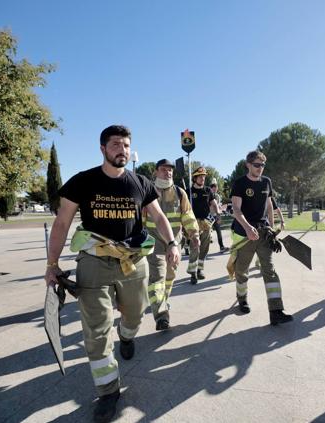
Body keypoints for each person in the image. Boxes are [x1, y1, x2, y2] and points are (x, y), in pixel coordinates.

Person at [44, 125, 180, 422]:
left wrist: (172, 243)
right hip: (94, 262)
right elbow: (62, 223)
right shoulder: (83, 181)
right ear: (103, 148)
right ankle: (108, 390)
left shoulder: (141, 183)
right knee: (95, 329)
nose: (122, 149)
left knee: (134, 314)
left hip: (133, 261)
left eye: (126, 145)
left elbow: (157, 216)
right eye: (116, 144)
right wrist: (52, 265)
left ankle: (127, 335)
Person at [229, 150, 293, 325]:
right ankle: (242, 298)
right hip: (244, 234)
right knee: (242, 270)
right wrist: (248, 228)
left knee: (270, 270)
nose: (260, 168)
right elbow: (236, 209)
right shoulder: (240, 183)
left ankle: (276, 310)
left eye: (263, 165)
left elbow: (269, 205)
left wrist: (272, 229)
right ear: (248, 165)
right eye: (257, 165)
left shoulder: (267, 182)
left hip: (264, 233)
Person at [144, 159, 199, 331]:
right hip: (153, 243)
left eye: (170, 171)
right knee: (157, 277)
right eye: (163, 170)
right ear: (156, 172)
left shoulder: (179, 193)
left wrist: (194, 233)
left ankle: (163, 301)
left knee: (169, 276)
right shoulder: (148, 191)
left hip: (174, 243)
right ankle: (161, 316)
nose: (167, 173)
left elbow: (188, 215)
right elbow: (140, 219)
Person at [187, 166, 219, 284]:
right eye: (200, 177)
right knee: (195, 247)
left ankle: (200, 269)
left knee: (205, 247)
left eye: (204, 177)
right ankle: (193, 273)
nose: (203, 179)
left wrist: (218, 213)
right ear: (194, 178)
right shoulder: (188, 192)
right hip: (193, 223)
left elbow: (213, 203)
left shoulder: (208, 190)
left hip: (206, 222)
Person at [209, 180, 229, 252]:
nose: (215, 188)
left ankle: (221, 247)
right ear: (211, 188)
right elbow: (211, 206)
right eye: (213, 187)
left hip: (215, 215)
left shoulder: (217, 196)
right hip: (208, 216)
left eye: (216, 187)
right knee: (204, 233)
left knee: (218, 231)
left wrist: (221, 210)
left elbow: (217, 206)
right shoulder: (207, 194)